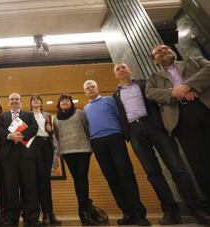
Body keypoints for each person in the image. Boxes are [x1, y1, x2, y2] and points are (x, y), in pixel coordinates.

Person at [114, 63, 210, 225]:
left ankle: (197, 209)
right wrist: (127, 133)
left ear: (130, 70)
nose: (121, 70)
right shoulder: (115, 96)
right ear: (115, 75)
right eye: (117, 69)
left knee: (177, 168)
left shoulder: (146, 84)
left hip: (155, 126)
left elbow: (163, 97)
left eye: (124, 67)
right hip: (135, 132)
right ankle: (171, 212)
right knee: (153, 174)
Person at [146, 44, 210, 213]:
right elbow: (151, 93)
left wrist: (188, 86)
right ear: (154, 61)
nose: (163, 50)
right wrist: (175, 92)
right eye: (158, 52)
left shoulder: (194, 61)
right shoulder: (153, 78)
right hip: (181, 119)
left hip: (204, 108)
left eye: (165, 48)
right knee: (199, 164)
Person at [83, 80, 149, 226]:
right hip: (98, 143)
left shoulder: (110, 100)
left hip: (115, 138)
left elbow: (121, 117)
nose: (91, 89)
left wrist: (124, 135)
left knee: (126, 174)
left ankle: (139, 214)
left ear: (97, 88)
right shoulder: (85, 108)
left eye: (93, 86)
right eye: (88, 88)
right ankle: (126, 212)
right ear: (85, 92)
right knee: (111, 178)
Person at [53, 94, 99, 225]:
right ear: (59, 104)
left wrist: (91, 145)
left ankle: (84, 210)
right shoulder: (56, 119)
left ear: (71, 103)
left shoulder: (79, 113)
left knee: (82, 177)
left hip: (83, 149)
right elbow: (57, 135)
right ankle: (85, 209)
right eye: (62, 101)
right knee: (78, 178)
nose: (65, 102)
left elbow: (87, 128)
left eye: (67, 100)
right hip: (67, 151)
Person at [0, 93, 40, 226]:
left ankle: (31, 217)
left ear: (21, 101)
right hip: (8, 157)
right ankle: (11, 217)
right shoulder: (2, 117)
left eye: (16, 99)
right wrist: (10, 136)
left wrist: (22, 135)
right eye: (12, 99)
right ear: (8, 102)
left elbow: (34, 128)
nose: (14, 101)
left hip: (26, 156)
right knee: (10, 187)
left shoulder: (28, 115)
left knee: (29, 186)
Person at [29, 94, 60, 226]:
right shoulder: (27, 115)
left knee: (46, 179)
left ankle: (50, 213)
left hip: (47, 145)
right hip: (34, 146)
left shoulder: (47, 115)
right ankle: (45, 213)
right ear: (31, 103)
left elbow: (51, 132)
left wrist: (51, 130)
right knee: (40, 179)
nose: (36, 101)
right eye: (33, 100)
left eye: (38, 99)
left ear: (41, 103)